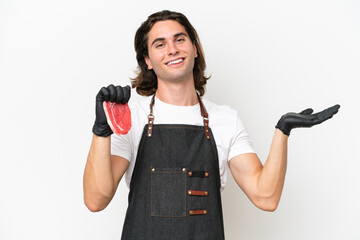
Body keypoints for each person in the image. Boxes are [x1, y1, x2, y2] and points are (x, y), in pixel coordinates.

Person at [83, 10, 340, 240]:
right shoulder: (133, 117)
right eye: (160, 44)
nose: (172, 49)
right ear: (147, 60)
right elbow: (96, 200)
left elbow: (266, 197)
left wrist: (282, 130)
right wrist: (102, 131)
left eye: (180, 39)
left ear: (194, 48)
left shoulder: (224, 120)